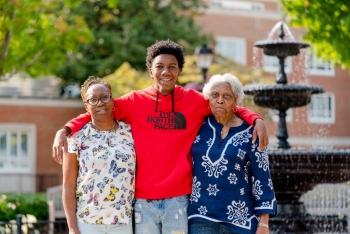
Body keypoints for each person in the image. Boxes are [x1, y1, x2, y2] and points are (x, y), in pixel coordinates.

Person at [53, 40, 269, 234]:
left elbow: (225, 104)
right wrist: (65, 129)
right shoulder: (134, 101)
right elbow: (98, 108)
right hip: (143, 202)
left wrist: (255, 119)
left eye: (172, 67)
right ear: (150, 70)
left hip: (179, 200)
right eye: (160, 66)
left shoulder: (193, 101)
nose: (166, 71)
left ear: (179, 71)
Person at [188, 73, 277, 234]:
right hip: (201, 219)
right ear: (208, 98)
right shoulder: (197, 125)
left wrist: (263, 224)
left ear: (236, 100)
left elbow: (262, 180)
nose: (220, 100)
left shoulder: (252, 133)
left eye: (227, 96)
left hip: (240, 222)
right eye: (215, 95)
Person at [62, 77, 135, 234]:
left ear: (112, 100)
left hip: (123, 222)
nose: (100, 103)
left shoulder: (130, 132)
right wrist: (72, 227)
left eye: (104, 97)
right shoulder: (76, 138)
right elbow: (68, 185)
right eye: (93, 100)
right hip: (87, 222)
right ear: (86, 107)